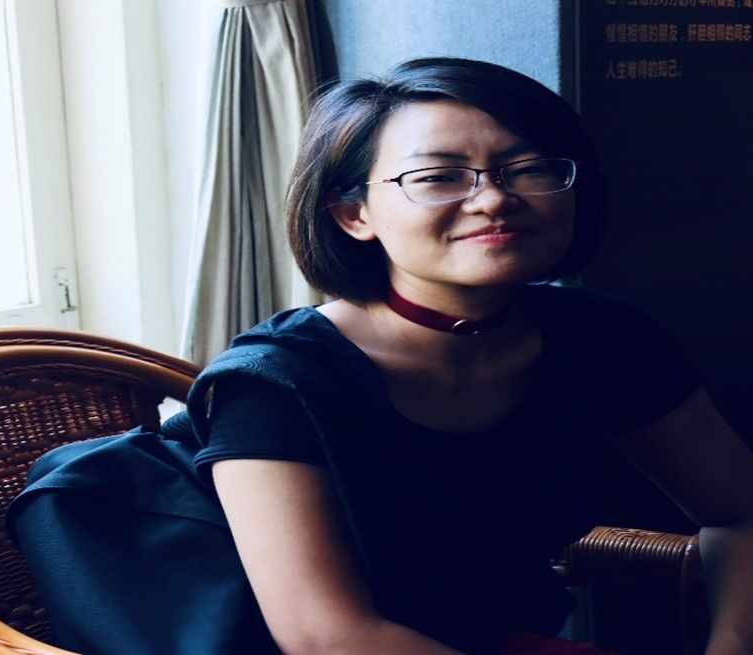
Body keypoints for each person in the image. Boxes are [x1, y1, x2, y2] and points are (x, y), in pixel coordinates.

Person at [194, 58, 753, 654]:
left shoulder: (605, 340)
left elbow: (740, 512)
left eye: (529, 169)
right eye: (438, 176)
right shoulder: (277, 381)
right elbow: (327, 638)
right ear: (353, 214)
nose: (494, 200)